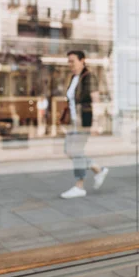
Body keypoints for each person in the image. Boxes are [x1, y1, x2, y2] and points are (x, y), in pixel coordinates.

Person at [59, 50, 109, 199]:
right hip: (75, 122)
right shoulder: (75, 77)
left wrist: (96, 123)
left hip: (84, 122)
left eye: (72, 61)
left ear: (82, 61)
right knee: (69, 150)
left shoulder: (89, 77)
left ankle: (79, 186)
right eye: (68, 61)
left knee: (76, 151)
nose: (70, 64)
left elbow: (95, 99)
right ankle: (98, 169)